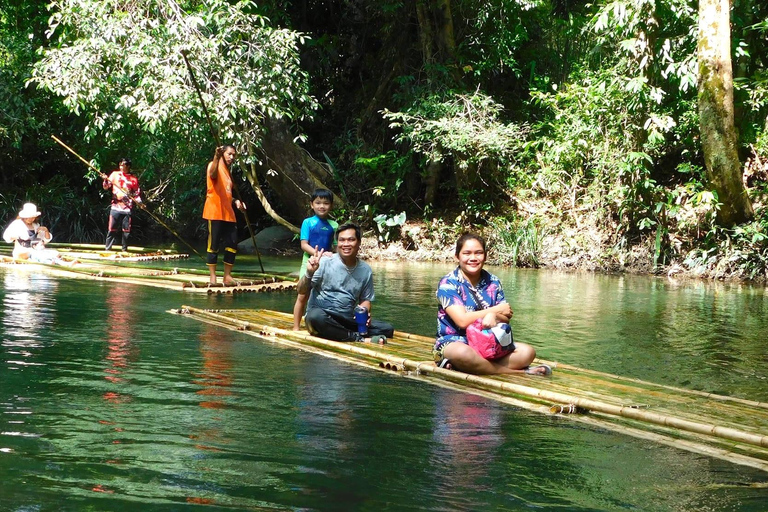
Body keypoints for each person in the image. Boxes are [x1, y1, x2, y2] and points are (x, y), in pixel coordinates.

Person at [433, 233, 551, 375]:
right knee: (462, 353)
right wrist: (494, 311)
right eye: (467, 253)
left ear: (485, 256)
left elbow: (506, 317)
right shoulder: (448, 284)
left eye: (478, 253)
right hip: (455, 342)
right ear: (457, 257)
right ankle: (518, 373)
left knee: (527, 352)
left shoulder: (493, 282)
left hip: (489, 342)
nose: (473, 258)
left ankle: (471, 366)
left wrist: (494, 316)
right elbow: (462, 321)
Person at [298, 222, 393, 343]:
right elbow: (301, 290)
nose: (346, 244)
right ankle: (358, 338)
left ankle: (343, 334)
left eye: (351, 240)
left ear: (359, 242)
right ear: (337, 243)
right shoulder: (324, 262)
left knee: (387, 329)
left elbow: (365, 299)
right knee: (314, 317)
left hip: (346, 319)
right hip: (322, 316)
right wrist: (309, 273)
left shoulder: (365, 270)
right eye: (342, 240)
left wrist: (364, 313)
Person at [292, 189, 338, 330]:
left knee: (324, 295)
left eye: (326, 203)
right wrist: (318, 254)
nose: (321, 206)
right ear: (312, 205)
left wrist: (335, 257)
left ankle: (320, 326)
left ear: (331, 205)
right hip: (309, 262)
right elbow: (304, 245)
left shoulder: (334, 225)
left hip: (326, 263)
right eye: (318, 203)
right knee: (302, 295)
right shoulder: (308, 222)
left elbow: (336, 246)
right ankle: (296, 327)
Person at [203, 144, 246, 286]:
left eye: (234, 155)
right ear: (223, 154)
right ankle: (213, 276)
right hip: (215, 211)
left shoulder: (228, 172)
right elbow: (213, 175)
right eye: (229, 154)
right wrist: (216, 156)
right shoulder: (213, 165)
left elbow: (226, 194)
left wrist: (236, 201)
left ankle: (227, 275)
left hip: (228, 212)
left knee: (232, 243)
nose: (232, 157)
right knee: (214, 243)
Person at [3, 203, 74, 266]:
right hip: (21, 252)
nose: (31, 219)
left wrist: (46, 231)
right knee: (33, 253)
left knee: (55, 253)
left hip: (36, 250)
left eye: (33, 217)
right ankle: (49, 263)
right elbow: (7, 237)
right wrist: (18, 236)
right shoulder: (17, 224)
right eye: (29, 217)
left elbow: (45, 240)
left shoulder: (36, 225)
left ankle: (63, 263)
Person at [103, 157, 142, 252]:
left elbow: (136, 194)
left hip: (127, 208)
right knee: (111, 229)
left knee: (126, 231)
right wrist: (105, 180)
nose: (121, 167)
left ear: (128, 166)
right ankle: (108, 249)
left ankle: (124, 250)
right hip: (115, 206)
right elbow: (106, 187)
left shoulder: (133, 179)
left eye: (123, 165)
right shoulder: (114, 175)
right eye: (120, 165)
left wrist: (140, 203)